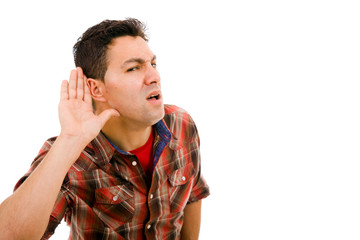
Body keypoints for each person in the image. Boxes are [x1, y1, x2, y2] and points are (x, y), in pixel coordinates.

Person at [0, 18, 210, 239]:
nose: (154, 76)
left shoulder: (181, 123)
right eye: (133, 68)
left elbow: (193, 195)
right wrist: (70, 140)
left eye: (153, 64)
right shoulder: (69, 156)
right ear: (96, 90)